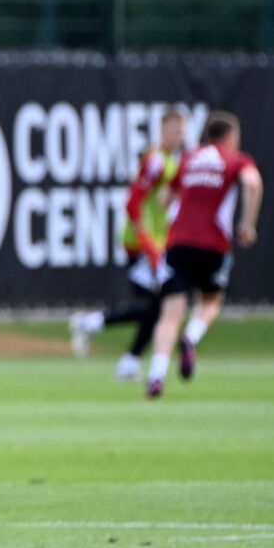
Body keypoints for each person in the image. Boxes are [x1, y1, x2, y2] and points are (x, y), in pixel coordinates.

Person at [145, 110, 263, 398]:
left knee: (170, 313)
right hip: (213, 245)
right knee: (211, 301)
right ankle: (191, 336)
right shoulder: (236, 160)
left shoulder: (188, 159)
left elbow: (163, 200)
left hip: (178, 243)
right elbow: (252, 183)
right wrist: (247, 225)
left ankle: (156, 375)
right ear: (231, 137)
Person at [70, 108, 186, 380]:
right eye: (174, 131)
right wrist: (149, 246)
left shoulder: (172, 161)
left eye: (182, 132)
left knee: (157, 308)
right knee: (160, 306)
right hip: (141, 245)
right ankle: (92, 324)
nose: (178, 136)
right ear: (162, 131)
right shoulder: (157, 162)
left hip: (157, 244)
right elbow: (133, 203)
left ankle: (127, 361)